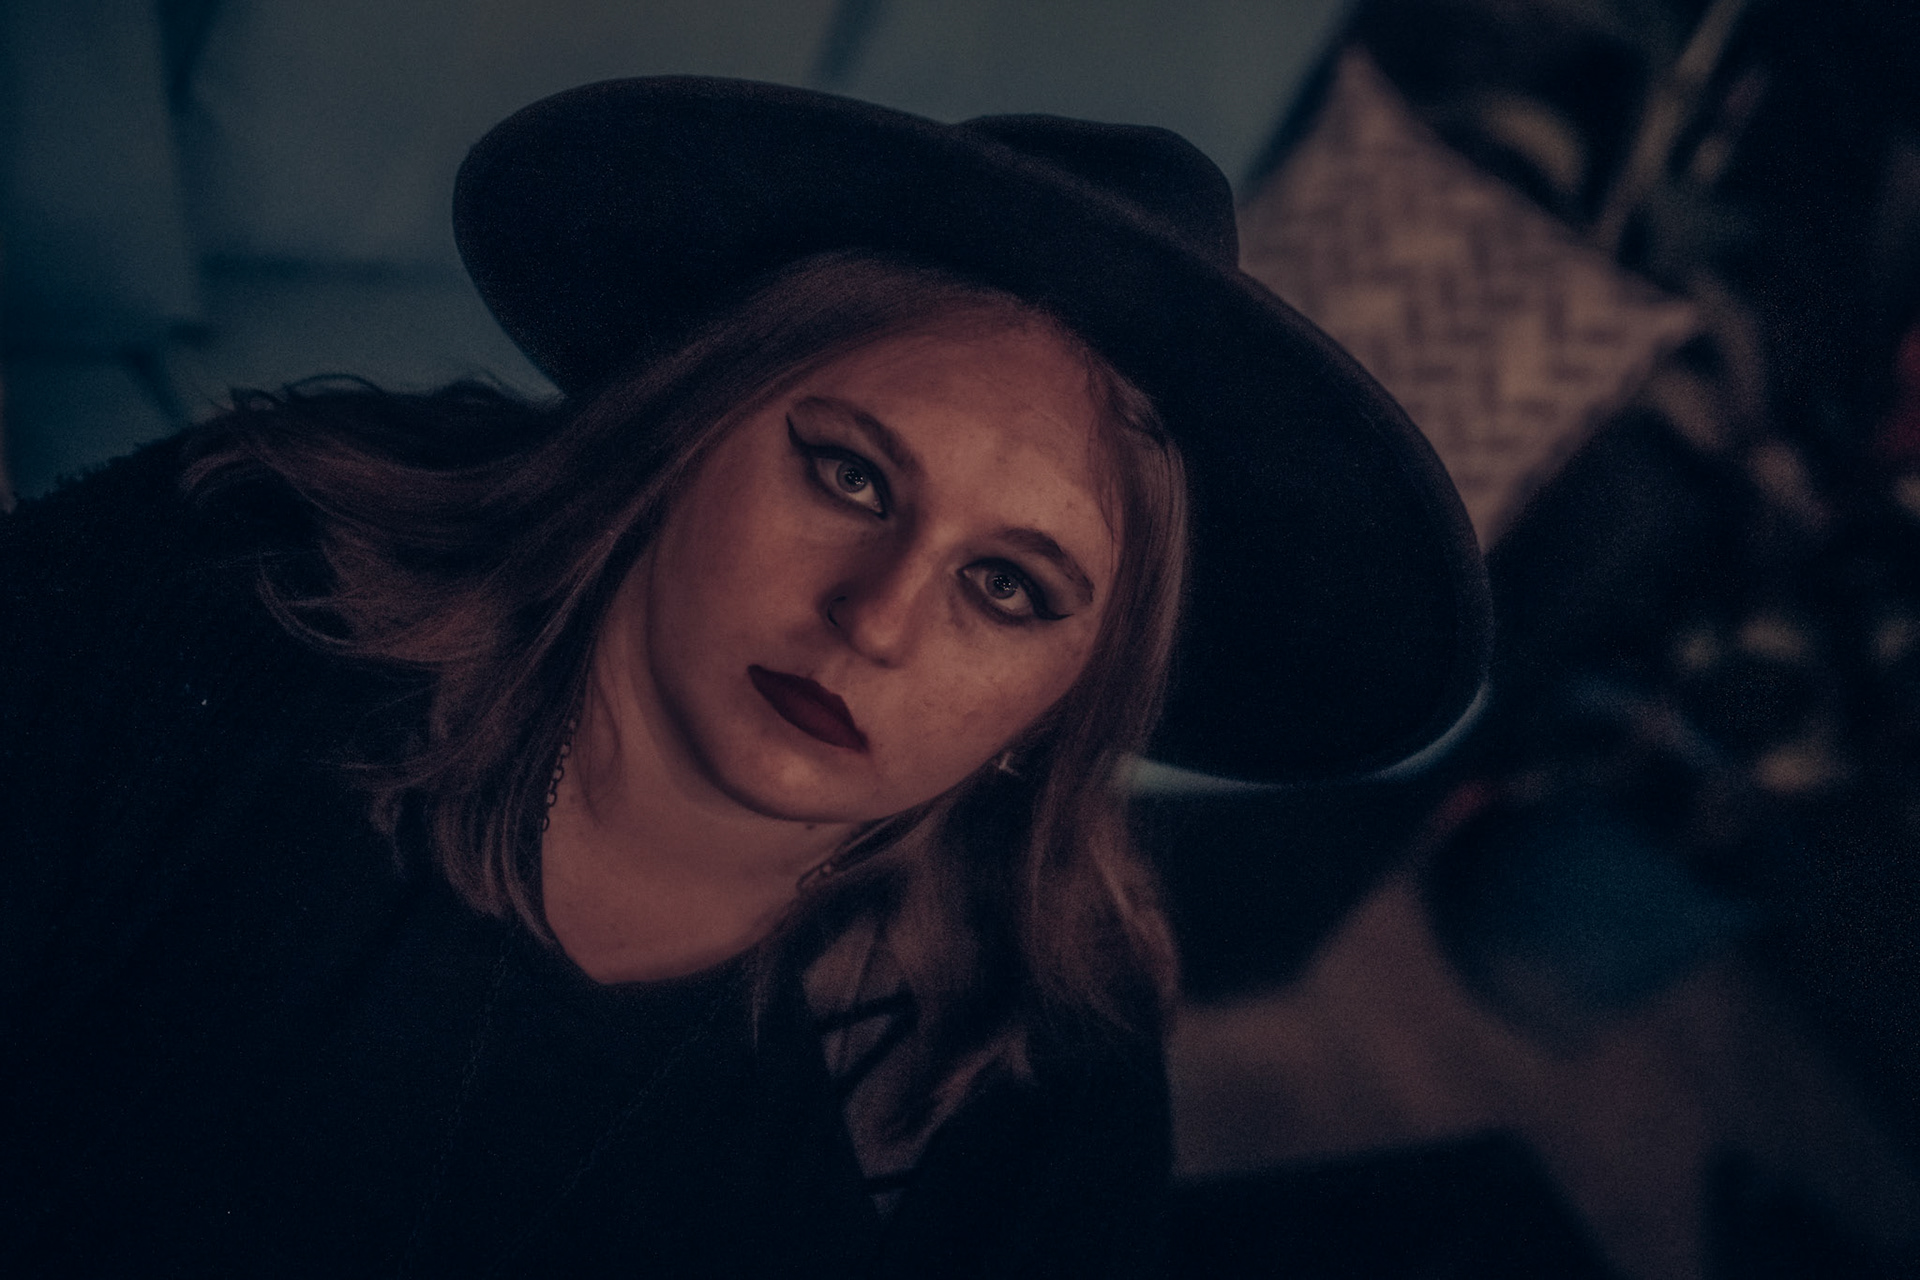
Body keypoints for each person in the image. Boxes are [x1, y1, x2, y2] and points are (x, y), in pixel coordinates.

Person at [0, 78, 1490, 1276]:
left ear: (1067, 704)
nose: (879, 619)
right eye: (850, 476)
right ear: (679, 428)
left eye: (1008, 588)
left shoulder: (1032, 1065)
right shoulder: (240, 582)